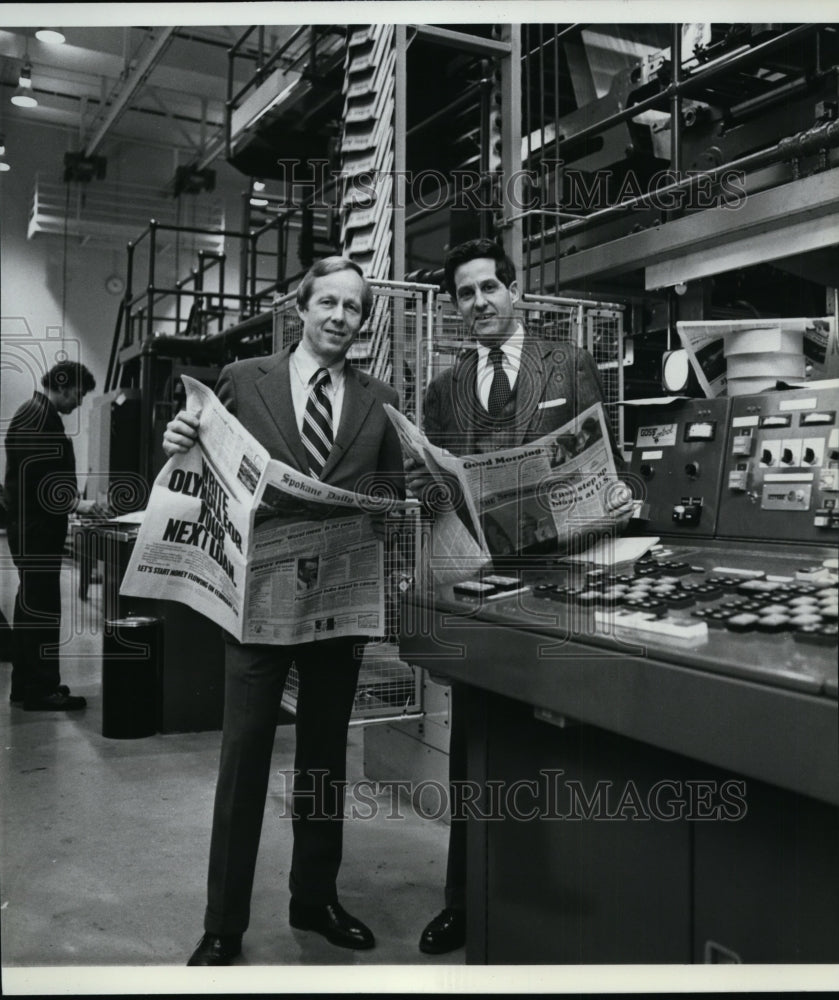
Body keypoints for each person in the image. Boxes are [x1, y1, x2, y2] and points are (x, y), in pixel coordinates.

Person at [163, 257, 404, 966]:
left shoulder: (380, 398)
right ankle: (223, 923)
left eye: (353, 308)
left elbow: (389, 496)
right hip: (259, 599)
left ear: (364, 321)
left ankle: (315, 899)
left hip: (337, 604)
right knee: (244, 757)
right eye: (326, 302)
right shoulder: (243, 380)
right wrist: (175, 441)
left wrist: (401, 507)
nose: (338, 317)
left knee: (325, 758)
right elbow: (195, 464)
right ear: (300, 309)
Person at [406, 238, 634, 954]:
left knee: (559, 737)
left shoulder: (566, 364)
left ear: (515, 292)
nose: (478, 303)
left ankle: (566, 896)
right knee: (473, 739)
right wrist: (424, 490)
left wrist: (616, 496)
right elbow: (439, 484)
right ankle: (464, 899)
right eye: (465, 294)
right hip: (480, 579)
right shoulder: (443, 388)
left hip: (560, 579)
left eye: (488, 289)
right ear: (454, 307)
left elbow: (604, 460)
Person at [5, 360, 100, 711]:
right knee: (41, 609)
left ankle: (27, 685)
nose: (79, 401)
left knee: (32, 606)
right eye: (79, 392)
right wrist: (79, 503)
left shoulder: (37, 415)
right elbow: (41, 481)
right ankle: (38, 689)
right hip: (35, 532)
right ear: (62, 384)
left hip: (33, 530)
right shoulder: (36, 417)